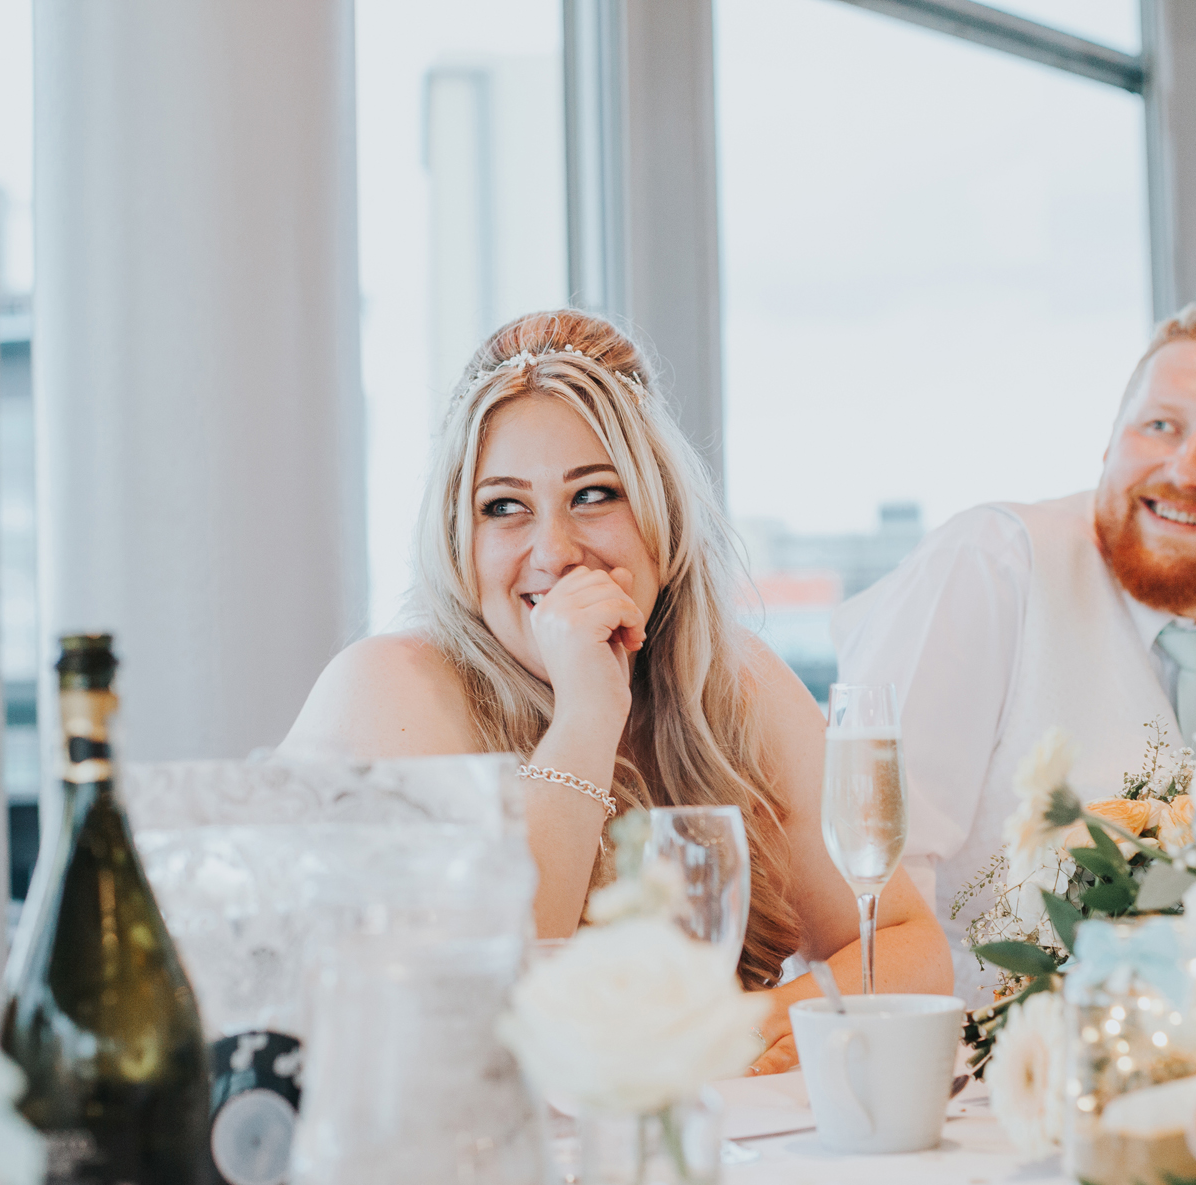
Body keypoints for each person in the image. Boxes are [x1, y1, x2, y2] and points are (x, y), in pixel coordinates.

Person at [284, 310, 950, 1073]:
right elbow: (480, 1015)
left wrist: (740, 1026)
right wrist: (587, 714)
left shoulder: (735, 681)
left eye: (594, 495)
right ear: (457, 542)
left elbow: (908, 949)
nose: (554, 552)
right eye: (504, 507)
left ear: (658, 514)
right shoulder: (388, 689)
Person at [832, 300, 1196, 1004]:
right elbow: (872, 862)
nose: (1185, 469)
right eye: (1160, 426)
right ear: (1110, 444)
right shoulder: (992, 565)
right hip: (972, 1072)